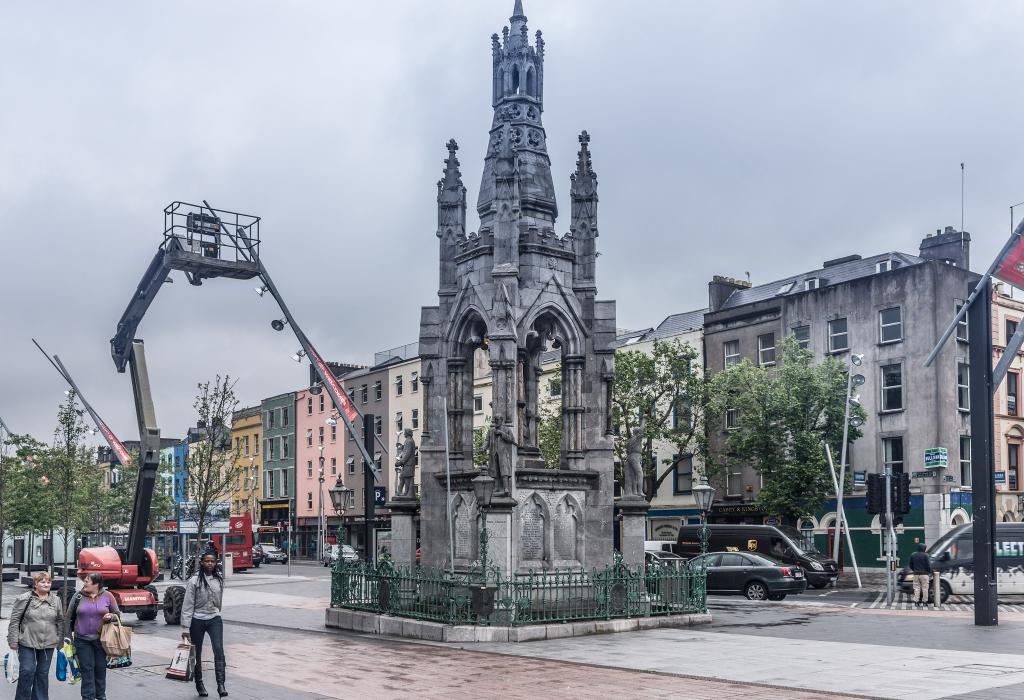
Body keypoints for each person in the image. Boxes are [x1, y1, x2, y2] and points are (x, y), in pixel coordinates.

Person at [7, 571, 63, 700]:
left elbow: (60, 620)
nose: (46, 584)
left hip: (48, 643)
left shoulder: (56, 600)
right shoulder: (24, 598)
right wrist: (13, 641)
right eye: (42, 582)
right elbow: (15, 620)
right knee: (27, 671)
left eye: (48, 582)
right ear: (35, 584)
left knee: (42, 674)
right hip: (27, 641)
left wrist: (59, 641)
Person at [182, 552, 228, 698]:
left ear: (215, 563)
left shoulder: (218, 579)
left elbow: (219, 598)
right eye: (207, 561)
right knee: (197, 653)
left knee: (219, 650)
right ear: (202, 563)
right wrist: (185, 627)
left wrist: (216, 611)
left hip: (214, 619)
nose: (209, 563)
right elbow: (187, 605)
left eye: (212, 561)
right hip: (197, 620)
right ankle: (199, 683)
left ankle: (221, 684)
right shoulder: (194, 581)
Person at [68, 572, 120, 700]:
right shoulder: (78, 596)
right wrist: (67, 638)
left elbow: (117, 614)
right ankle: (88, 697)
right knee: (87, 669)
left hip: (102, 640)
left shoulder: (108, 596)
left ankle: (101, 696)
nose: (84, 583)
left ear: (96, 584)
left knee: (100, 669)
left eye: (87, 581)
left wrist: (111, 616)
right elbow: (68, 617)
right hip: (82, 640)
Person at [909, 542, 934, 606]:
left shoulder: (913, 555)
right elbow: (928, 565)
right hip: (924, 574)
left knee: (916, 588)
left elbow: (910, 565)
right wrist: (929, 571)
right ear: (924, 549)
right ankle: (925, 602)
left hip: (916, 574)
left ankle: (916, 601)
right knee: (925, 588)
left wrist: (914, 570)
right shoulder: (926, 555)